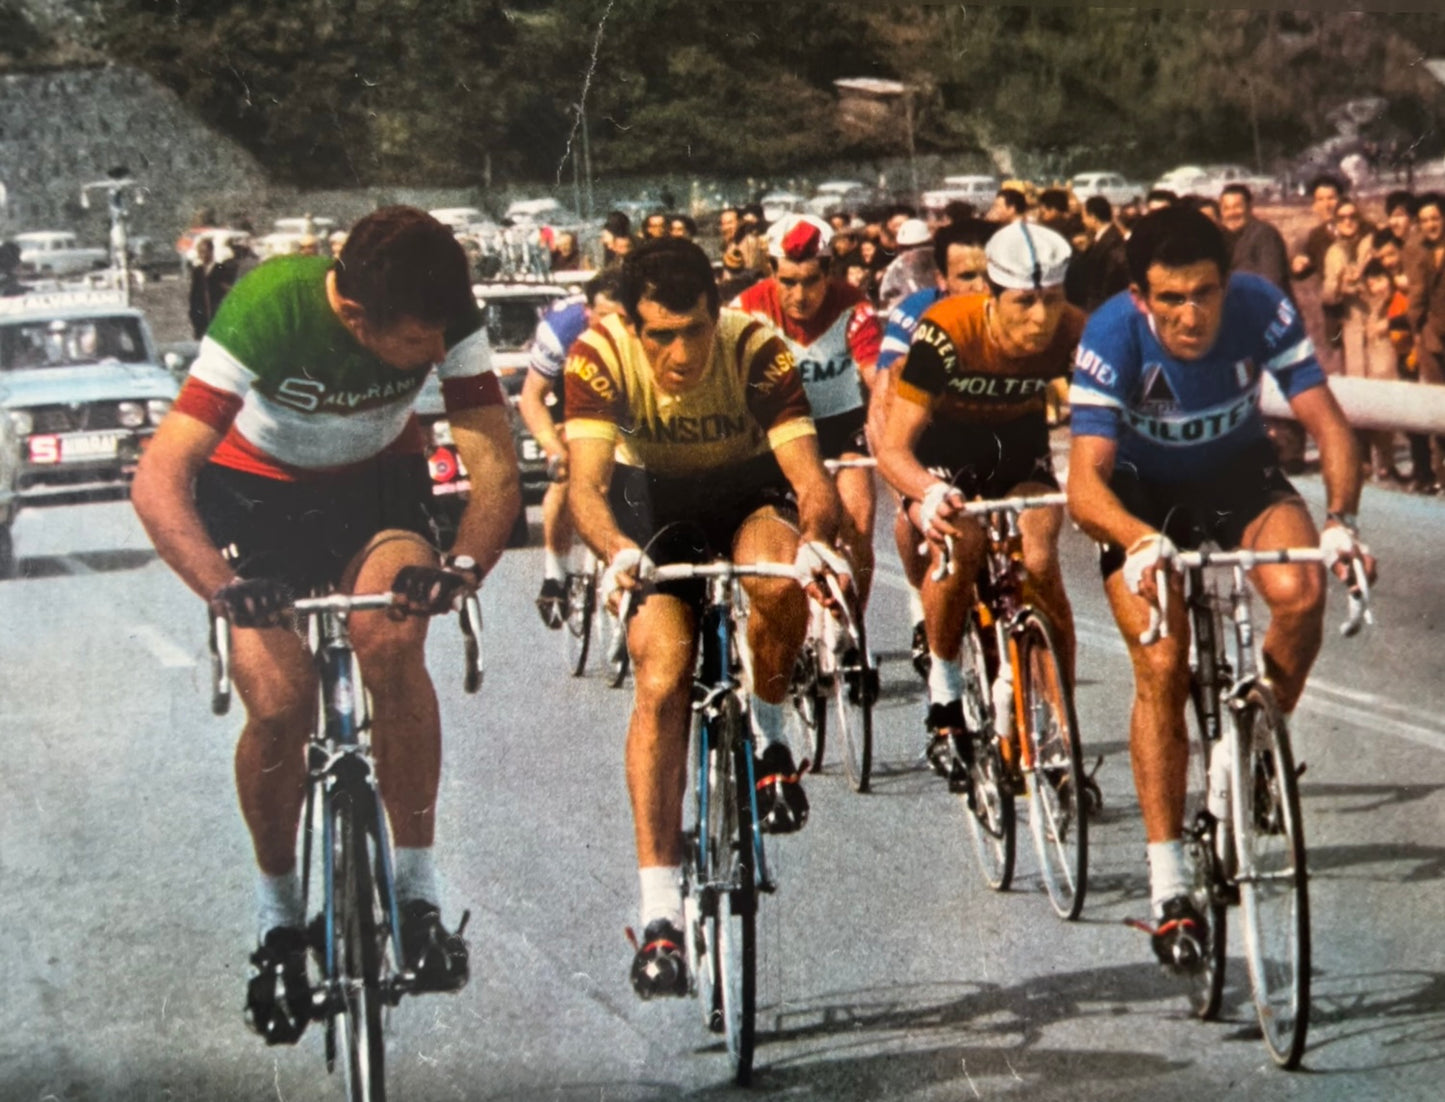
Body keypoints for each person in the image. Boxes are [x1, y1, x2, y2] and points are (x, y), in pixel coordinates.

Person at [131, 207, 519, 1043]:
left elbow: (494, 470)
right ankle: (277, 921)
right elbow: (159, 480)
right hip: (252, 495)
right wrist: (222, 587)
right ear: (355, 317)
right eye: (420, 345)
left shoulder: (445, 309)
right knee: (277, 701)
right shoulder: (269, 306)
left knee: (394, 636)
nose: (434, 355)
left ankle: (417, 893)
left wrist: (460, 569)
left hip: (374, 489)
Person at [1066, 205, 1372, 970]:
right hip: (1140, 499)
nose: (1190, 313)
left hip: (1238, 477)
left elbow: (1330, 427)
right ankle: (1168, 881)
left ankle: (1249, 750)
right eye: (1168, 298)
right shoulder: (1110, 331)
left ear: (1224, 281)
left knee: (1301, 590)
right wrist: (1138, 540)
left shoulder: (1259, 306)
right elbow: (1082, 486)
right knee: (1161, 666)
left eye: (1203, 291)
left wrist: (1339, 520)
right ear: (1140, 296)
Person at [563, 238, 844, 999]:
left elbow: (810, 481)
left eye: (692, 331)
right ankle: (659, 915)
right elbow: (583, 488)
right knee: (662, 676)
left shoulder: (756, 348)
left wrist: (816, 540)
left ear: (714, 315)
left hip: (744, 495)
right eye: (659, 335)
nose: (679, 353)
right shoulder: (597, 355)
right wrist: (617, 554)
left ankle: (771, 737)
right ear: (631, 324)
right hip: (646, 508)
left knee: (781, 585)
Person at [876, 221, 1082, 790]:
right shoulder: (945, 332)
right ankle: (944, 697)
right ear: (992, 294)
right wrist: (927, 492)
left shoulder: (1074, 331)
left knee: (1040, 563)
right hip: (943, 451)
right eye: (1024, 303)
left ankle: (1064, 738)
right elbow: (893, 448)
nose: (1040, 319)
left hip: (1018, 454)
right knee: (959, 542)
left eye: (1053, 301)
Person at [732, 214, 882, 612]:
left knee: (858, 524)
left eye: (812, 281)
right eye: (788, 282)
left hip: (839, 427)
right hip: (778, 433)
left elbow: (877, 380)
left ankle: (852, 629)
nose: (800, 295)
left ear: (829, 272)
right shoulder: (747, 307)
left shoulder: (853, 305)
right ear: (771, 272)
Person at [873, 217, 998, 679]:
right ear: (941, 278)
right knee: (916, 523)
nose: (984, 286)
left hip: (981, 432)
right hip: (912, 428)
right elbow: (885, 403)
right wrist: (910, 491)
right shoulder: (914, 314)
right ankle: (919, 601)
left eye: (991, 273)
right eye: (969, 276)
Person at [523, 269, 626, 625]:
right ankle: (556, 575)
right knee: (568, 471)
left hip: (621, 391)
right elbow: (531, 398)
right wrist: (554, 450)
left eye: (622, 319)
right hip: (571, 388)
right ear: (588, 314)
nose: (613, 327)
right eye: (604, 319)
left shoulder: (642, 326)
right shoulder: (562, 329)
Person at [1405, 191, 1445, 493]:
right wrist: (1417, 331)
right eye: (1424, 220)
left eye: (1435, 218)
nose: (1431, 225)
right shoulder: (1414, 248)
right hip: (1431, 335)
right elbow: (1416, 296)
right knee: (1438, 404)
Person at [1065, 195, 1129, 314]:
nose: (1083, 221)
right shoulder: (1101, 239)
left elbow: (1107, 281)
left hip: (1103, 307)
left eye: (1084, 216)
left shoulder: (1112, 242)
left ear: (1093, 217)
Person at [877, 217, 939, 313]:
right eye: (904, 248)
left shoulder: (939, 265)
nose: (910, 253)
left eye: (916, 247)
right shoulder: (893, 272)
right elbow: (886, 303)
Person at [187, 236, 238, 339]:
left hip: (217, 311)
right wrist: (193, 312)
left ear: (211, 251)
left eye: (205, 252)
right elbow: (194, 293)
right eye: (200, 252)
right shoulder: (198, 271)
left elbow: (227, 288)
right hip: (201, 314)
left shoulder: (221, 268)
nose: (202, 255)